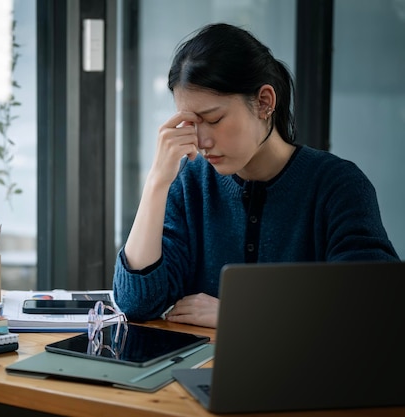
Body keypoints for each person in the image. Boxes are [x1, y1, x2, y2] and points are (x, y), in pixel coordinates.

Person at [112, 23, 398, 329]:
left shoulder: (338, 185)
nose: (202, 140)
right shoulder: (192, 181)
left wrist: (241, 313)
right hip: (197, 373)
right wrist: (157, 181)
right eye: (191, 123)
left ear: (264, 103)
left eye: (213, 119)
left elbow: (374, 306)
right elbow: (137, 304)